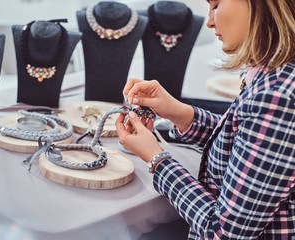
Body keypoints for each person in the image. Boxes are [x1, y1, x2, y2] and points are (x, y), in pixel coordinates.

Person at [115, 0, 295, 239]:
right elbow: (245, 142)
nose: (210, 22)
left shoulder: (277, 98)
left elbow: (222, 232)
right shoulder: (275, 72)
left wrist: (156, 159)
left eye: (216, 5)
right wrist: (180, 113)